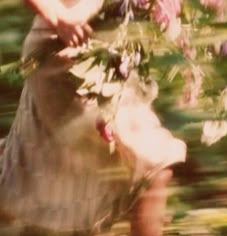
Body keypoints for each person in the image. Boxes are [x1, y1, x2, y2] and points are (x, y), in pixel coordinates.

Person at [0, 0, 185, 235]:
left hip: (112, 58)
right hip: (63, 56)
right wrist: (59, 16)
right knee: (154, 162)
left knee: (36, 174)